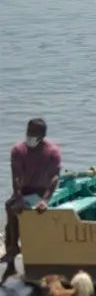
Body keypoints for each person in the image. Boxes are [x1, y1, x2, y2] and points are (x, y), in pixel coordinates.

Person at [2, 118, 62, 285]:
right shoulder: (18, 150)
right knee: (11, 206)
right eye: (29, 131)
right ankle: (12, 258)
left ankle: (15, 249)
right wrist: (19, 198)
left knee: (15, 211)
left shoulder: (52, 151)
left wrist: (45, 200)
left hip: (42, 190)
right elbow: (16, 176)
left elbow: (55, 177)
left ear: (43, 135)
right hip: (25, 190)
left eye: (34, 133)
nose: (30, 136)